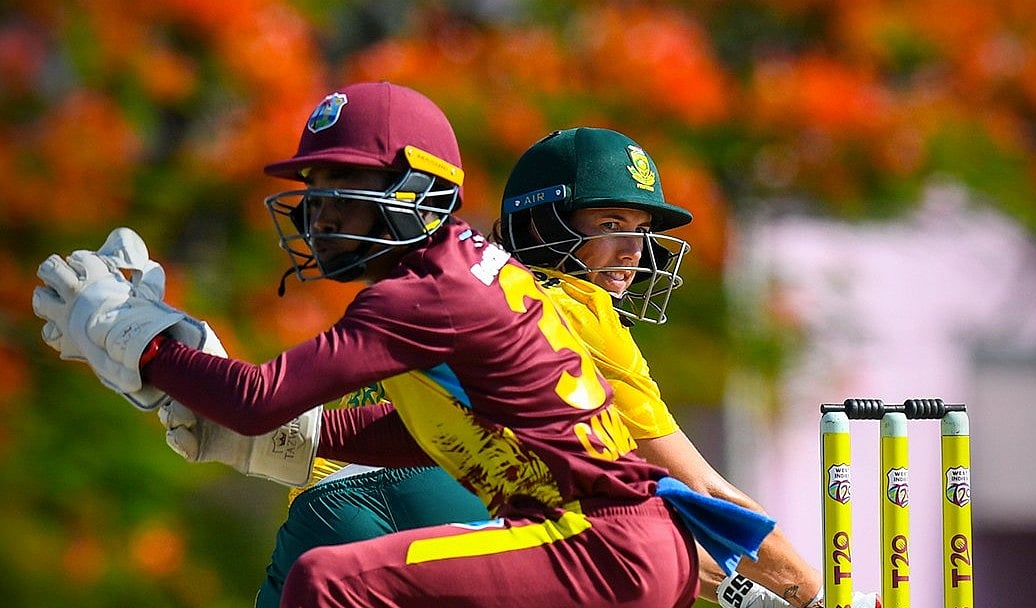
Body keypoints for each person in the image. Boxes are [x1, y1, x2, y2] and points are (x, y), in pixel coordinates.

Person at [33, 81, 775, 608]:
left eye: (340, 189)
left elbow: (258, 400)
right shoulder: (458, 274)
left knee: (328, 583)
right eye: (315, 194)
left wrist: (137, 341)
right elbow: (437, 431)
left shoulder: (427, 291)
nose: (318, 216)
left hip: (595, 545)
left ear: (420, 191)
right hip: (610, 545)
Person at [495, 127, 880, 608]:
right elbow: (702, 491)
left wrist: (757, 595)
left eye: (641, 229)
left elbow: (638, 528)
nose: (634, 250)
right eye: (611, 224)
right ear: (541, 224)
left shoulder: (501, 292)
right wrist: (828, 599)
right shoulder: (576, 309)